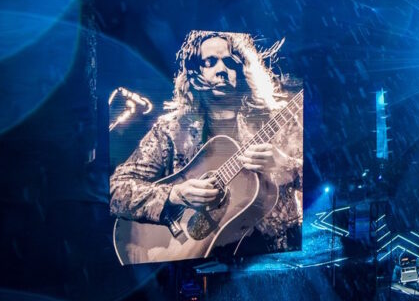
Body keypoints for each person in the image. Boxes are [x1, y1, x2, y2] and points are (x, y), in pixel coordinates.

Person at [110, 30, 303, 263]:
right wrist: (174, 193)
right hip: (195, 260)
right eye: (209, 62)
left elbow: (321, 177)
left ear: (245, 69)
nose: (221, 70)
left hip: (273, 257)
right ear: (193, 74)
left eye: (230, 62)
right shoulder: (171, 132)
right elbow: (115, 190)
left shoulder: (279, 120)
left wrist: (287, 164)